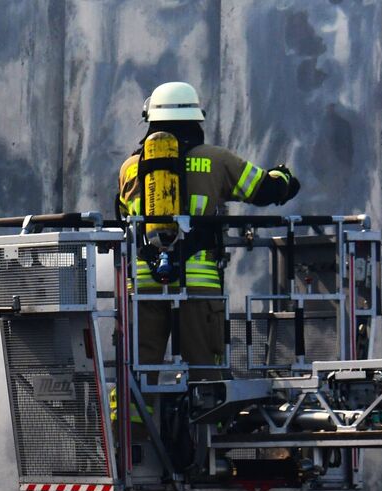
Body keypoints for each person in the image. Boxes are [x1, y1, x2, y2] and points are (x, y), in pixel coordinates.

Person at [118, 81, 300, 383]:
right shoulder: (216, 160)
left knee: (137, 373)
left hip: (143, 285)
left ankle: (135, 427)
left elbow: (125, 217)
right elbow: (264, 191)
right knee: (206, 372)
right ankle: (206, 427)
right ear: (195, 118)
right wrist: (284, 177)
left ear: (150, 120)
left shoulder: (130, 168)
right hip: (197, 286)